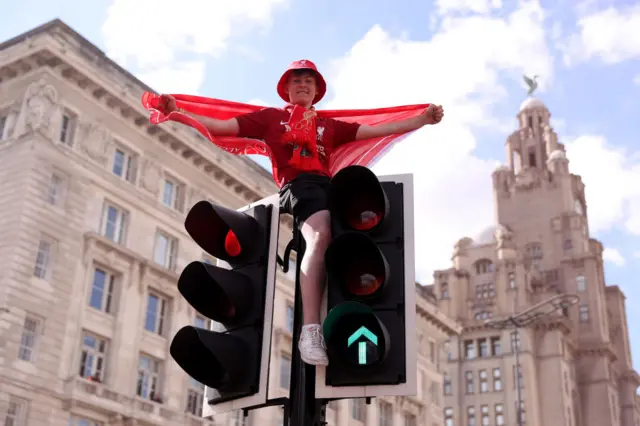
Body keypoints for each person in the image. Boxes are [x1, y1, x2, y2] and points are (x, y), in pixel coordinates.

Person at [152, 60, 444, 366]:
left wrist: (421, 120)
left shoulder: (328, 126)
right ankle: (310, 330)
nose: (303, 85)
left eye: (309, 81)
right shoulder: (269, 119)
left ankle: (336, 316)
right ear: (287, 90)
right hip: (300, 187)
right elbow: (222, 126)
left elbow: (379, 129)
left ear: (317, 91)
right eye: (296, 81)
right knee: (319, 236)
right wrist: (180, 114)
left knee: (348, 244)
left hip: (331, 188)